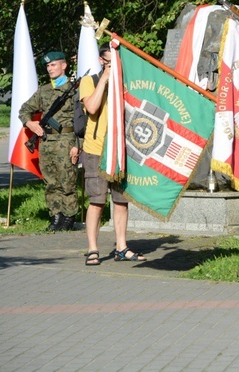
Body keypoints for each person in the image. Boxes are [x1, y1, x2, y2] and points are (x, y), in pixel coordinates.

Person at [79, 45, 146, 265]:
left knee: (121, 201)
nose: (115, 65)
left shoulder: (128, 81)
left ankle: (121, 247)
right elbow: (92, 107)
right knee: (97, 201)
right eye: (110, 61)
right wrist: (105, 77)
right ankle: (92, 249)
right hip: (96, 150)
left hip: (122, 149)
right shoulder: (89, 80)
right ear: (101, 60)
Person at [19, 51, 80, 232]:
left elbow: (82, 121)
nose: (50, 69)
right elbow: (24, 110)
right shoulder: (44, 90)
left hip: (67, 141)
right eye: (47, 66)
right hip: (46, 142)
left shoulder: (75, 90)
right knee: (51, 182)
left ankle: (69, 217)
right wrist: (31, 123)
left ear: (64, 66)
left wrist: (78, 146)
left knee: (67, 181)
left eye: (53, 65)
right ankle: (55, 217)